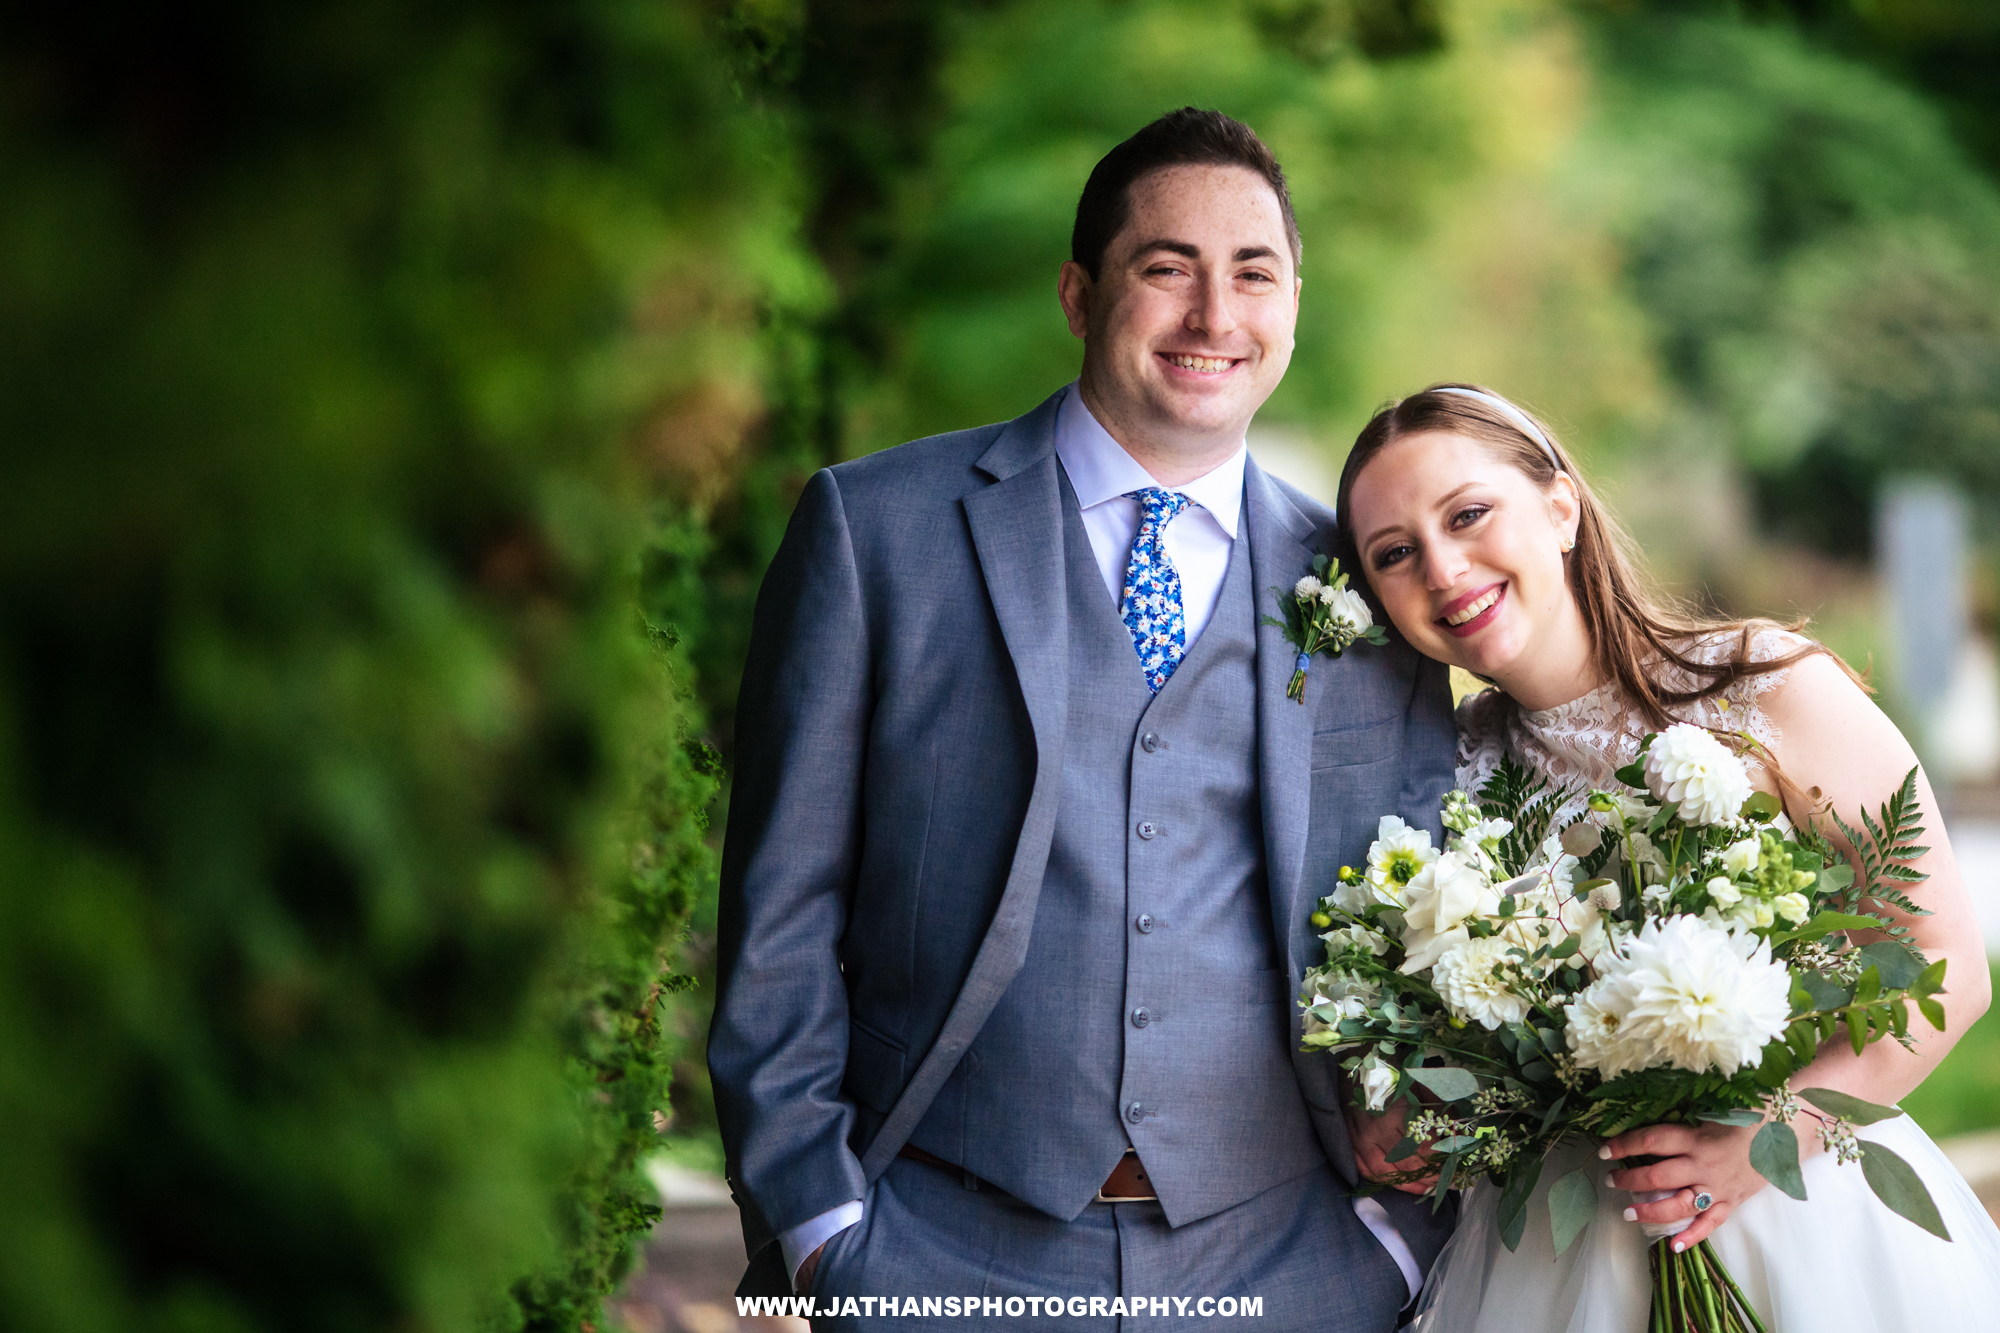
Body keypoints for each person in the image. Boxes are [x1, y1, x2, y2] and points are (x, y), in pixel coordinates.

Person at [709, 108, 1459, 1330]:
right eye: (1166, 269)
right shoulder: (876, 529)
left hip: (1292, 1264)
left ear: (1290, 304)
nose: (1214, 317)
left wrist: (1391, 1248)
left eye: (1252, 273)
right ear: (1078, 293)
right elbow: (780, 906)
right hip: (935, 1253)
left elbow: (1434, 910)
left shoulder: (1369, 581)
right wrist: (818, 1229)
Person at [1334, 382, 2000, 1330]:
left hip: (1789, 1209)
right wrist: (1403, 1099)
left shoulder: (1764, 688)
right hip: (1555, 1249)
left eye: (1469, 514)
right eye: (1395, 554)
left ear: (1560, 507)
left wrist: (1763, 1137)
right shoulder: (1436, 770)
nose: (1443, 568)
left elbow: (1948, 961)